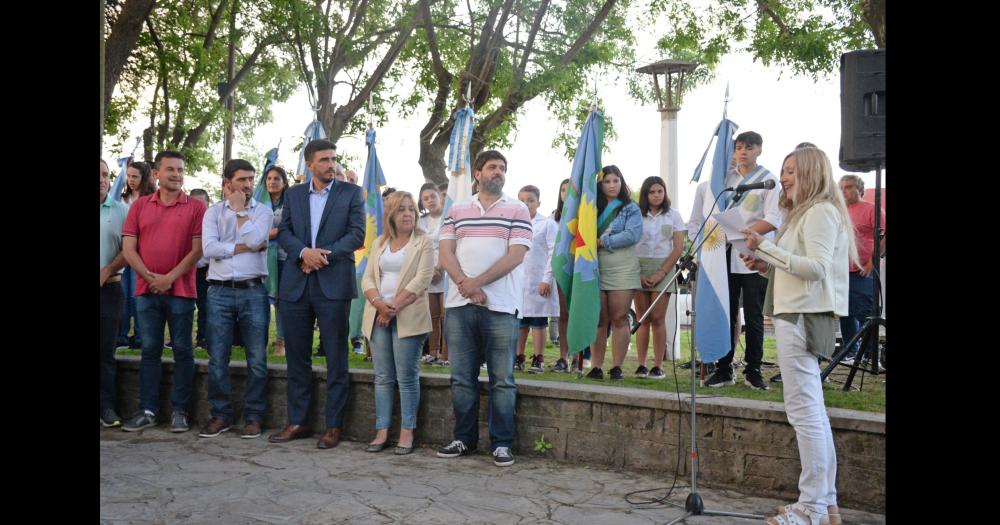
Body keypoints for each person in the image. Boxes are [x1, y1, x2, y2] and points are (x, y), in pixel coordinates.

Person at [741, 146, 853, 525]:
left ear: (811, 173)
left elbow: (817, 269)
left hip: (803, 316)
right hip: (796, 312)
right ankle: (827, 504)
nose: (784, 178)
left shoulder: (820, 211)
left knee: (804, 414)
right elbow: (795, 269)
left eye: (791, 171)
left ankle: (811, 508)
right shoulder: (804, 214)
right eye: (784, 170)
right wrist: (763, 263)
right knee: (813, 413)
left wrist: (768, 249)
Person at [436, 150, 531, 467]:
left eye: (503, 168)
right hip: (459, 306)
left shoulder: (517, 209)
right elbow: (446, 252)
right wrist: (464, 283)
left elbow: (516, 255)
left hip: (501, 307)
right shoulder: (457, 209)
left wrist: (476, 284)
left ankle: (502, 444)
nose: (499, 172)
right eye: (492, 167)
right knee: (461, 377)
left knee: (502, 378)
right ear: (477, 173)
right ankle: (464, 439)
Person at [268, 139, 365, 450]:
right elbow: (284, 233)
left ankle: (333, 426)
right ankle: (298, 420)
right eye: (324, 160)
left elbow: (356, 234)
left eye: (334, 159)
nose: (331, 165)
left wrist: (321, 256)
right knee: (297, 357)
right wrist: (302, 254)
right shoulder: (293, 194)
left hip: (333, 282)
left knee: (337, 356)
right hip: (297, 283)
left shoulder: (351, 193)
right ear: (309, 164)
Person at [120, 151, 207, 433]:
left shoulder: (196, 207)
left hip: (181, 291)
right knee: (149, 350)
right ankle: (148, 410)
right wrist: (149, 277)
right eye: (170, 169)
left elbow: (198, 250)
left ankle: (180, 411)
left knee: (183, 350)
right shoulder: (140, 206)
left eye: (181, 170)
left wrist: (168, 278)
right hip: (146, 291)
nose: (177, 174)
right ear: (155, 174)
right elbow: (128, 249)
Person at [700, 131, 782, 391]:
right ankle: (724, 368)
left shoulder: (768, 180)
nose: (743, 152)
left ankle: (754, 369)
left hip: (753, 255)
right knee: (728, 312)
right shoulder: (728, 179)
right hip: (725, 253)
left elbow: (773, 218)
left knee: (754, 315)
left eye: (749, 147)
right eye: (738, 147)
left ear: (759, 149)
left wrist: (746, 233)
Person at [198, 159, 272, 439]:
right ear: (227, 183)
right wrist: (241, 247)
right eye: (242, 180)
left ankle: (253, 417)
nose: (248, 185)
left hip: (253, 290)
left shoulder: (262, 211)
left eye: (251, 179)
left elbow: (256, 241)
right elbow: (208, 248)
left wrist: (241, 213)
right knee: (218, 357)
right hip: (218, 291)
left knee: (257, 358)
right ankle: (221, 415)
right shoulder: (213, 213)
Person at [361, 191, 434, 455]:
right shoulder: (380, 243)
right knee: (382, 377)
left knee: (406, 376)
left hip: (408, 316)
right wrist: (380, 304)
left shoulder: (423, 242)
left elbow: (422, 279)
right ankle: (382, 430)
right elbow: (368, 278)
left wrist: (392, 308)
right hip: (378, 314)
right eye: (401, 209)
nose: (407, 214)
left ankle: (406, 432)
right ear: (391, 214)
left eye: (411, 210)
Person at [586, 166, 642, 381]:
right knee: (599, 319)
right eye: (607, 181)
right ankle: (596, 366)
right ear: (600, 184)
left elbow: (632, 235)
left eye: (616, 181)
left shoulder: (630, 208)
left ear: (622, 182)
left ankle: (617, 366)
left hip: (622, 266)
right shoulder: (591, 207)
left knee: (619, 317)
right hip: (594, 266)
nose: (612, 185)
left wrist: (603, 241)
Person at [633, 176, 686, 379]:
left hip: (664, 267)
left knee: (657, 317)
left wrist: (661, 273)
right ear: (645, 194)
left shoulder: (674, 215)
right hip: (639, 266)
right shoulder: (636, 214)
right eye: (652, 192)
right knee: (641, 317)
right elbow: (630, 244)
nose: (656, 195)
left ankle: (657, 365)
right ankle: (641, 364)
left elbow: (678, 248)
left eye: (660, 191)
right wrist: (639, 273)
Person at [837, 174, 885, 364]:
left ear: (860, 190)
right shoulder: (839, 212)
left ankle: (871, 355)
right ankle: (851, 352)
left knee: (865, 312)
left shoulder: (872, 210)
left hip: (863, 271)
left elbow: (884, 237)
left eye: (849, 187)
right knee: (845, 311)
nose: (844, 191)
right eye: (841, 187)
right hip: (842, 270)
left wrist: (871, 263)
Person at [515, 185, 559, 373]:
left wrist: (546, 279)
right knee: (520, 322)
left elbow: (553, 251)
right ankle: (518, 357)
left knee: (539, 321)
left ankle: (538, 358)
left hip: (539, 279)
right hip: (519, 281)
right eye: (522, 200)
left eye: (530, 200)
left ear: (538, 203)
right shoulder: (515, 224)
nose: (526, 204)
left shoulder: (547, 224)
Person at [101, 159, 130, 427]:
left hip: (109, 290)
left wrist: (107, 269)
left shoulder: (121, 210)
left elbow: (128, 250)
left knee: (106, 352)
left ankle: (107, 408)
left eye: (105, 175)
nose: (101, 179)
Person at [117, 160, 157, 350]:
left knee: (137, 295)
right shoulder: (122, 198)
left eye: (135, 176)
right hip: (122, 253)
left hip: (141, 255)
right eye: (129, 176)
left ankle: (141, 336)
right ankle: (122, 335)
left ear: (144, 178)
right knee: (123, 295)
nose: (131, 180)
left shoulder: (150, 199)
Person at [417, 182, 448, 366]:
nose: (430, 200)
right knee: (432, 315)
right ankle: (433, 352)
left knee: (446, 315)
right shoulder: (420, 222)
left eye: (433, 196)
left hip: (446, 271)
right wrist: (428, 270)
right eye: (425, 198)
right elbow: (419, 247)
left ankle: (446, 353)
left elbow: (449, 243)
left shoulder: (448, 218)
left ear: (440, 196)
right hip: (427, 272)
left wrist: (439, 266)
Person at [264, 166, 291, 356]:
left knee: (281, 302)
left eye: (277, 179)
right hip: (261, 258)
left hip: (284, 258)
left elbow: (287, 228)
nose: (272, 182)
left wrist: (262, 236)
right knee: (261, 301)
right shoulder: (259, 202)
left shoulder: (290, 202)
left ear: (284, 182)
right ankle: (259, 342)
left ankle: (281, 343)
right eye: (269, 178)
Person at [189, 189, 211, 349]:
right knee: (185, 306)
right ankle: (180, 338)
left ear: (207, 203)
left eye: (200, 202)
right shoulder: (184, 219)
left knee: (205, 306)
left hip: (206, 270)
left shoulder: (213, 220)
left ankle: (203, 338)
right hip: (186, 271)